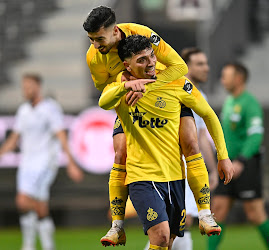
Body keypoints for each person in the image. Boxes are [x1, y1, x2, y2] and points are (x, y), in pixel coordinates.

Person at [82, 6, 233, 246]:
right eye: (91, 40)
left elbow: (180, 67)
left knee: (191, 143)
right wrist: (125, 84)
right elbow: (103, 92)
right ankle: (116, 225)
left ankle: (205, 213)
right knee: (121, 153)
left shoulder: (142, 33)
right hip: (129, 100)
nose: (96, 45)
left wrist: (148, 85)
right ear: (126, 63)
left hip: (162, 91)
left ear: (114, 32)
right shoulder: (94, 56)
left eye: (100, 39)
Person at [0, 73, 84, 250]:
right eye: (24, 87)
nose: (26, 90)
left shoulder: (50, 108)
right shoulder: (23, 110)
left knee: (23, 201)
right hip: (26, 164)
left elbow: (61, 134)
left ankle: (30, 245)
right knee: (37, 207)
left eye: (29, 86)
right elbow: (14, 138)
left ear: (38, 86)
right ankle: (41, 245)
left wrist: (71, 162)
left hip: (44, 162)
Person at [208, 62, 269, 250]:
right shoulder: (230, 102)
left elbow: (255, 135)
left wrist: (241, 161)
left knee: (255, 214)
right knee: (217, 212)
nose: (222, 79)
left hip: (245, 165)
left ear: (238, 78)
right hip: (227, 165)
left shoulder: (250, 103)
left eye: (225, 75)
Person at [169, 48, 219, 250]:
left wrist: (212, 169)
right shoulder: (178, 91)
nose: (205, 68)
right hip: (176, 163)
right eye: (199, 64)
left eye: (205, 63)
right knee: (182, 220)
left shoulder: (199, 95)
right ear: (186, 66)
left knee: (184, 221)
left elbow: (201, 136)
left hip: (190, 165)